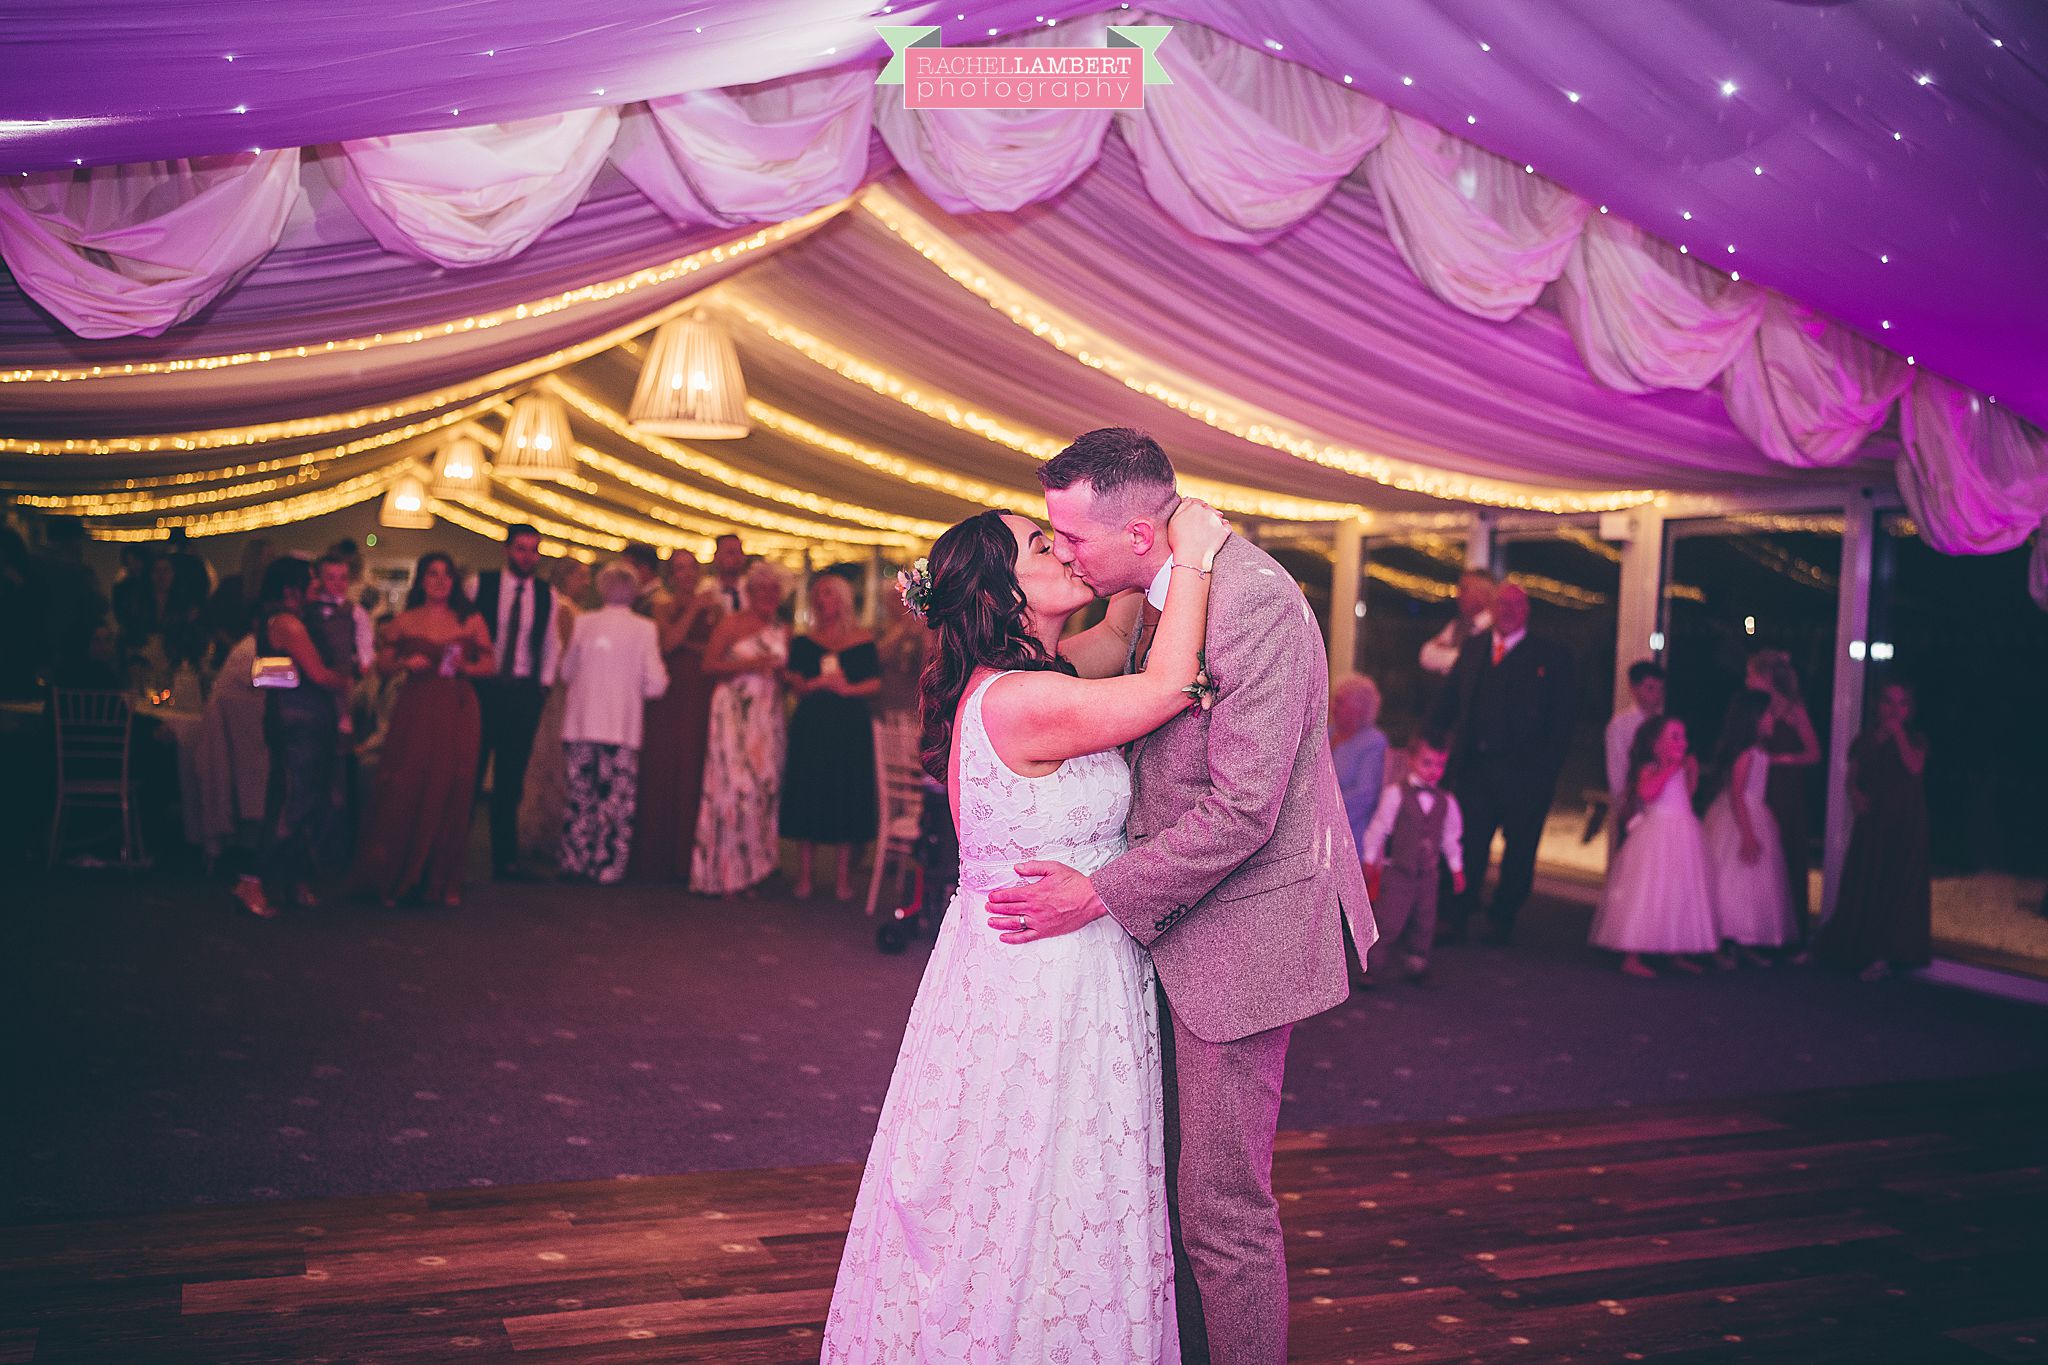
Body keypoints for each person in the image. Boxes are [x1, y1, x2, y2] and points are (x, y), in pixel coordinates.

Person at [984, 429, 1373, 1365]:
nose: (1064, 552)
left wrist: (1098, 895)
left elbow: (1244, 811)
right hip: (1172, 926)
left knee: (1223, 1210)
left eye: (1071, 538)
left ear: (1141, 531)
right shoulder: (1162, 594)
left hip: (1243, 938)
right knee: (1163, 1187)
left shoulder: (1253, 604)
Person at [823, 493, 1232, 1364]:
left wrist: (1131, 551)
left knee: (1041, 1183)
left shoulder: (1043, 676)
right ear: (1000, 594)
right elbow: (1163, 685)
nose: (1062, 552)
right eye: (1043, 545)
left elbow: (1124, 638)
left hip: (1035, 967)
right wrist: (1192, 553)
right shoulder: (1019, 701)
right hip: (1042, 983)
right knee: (1036, 1188)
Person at [1429, 580, 1575, 945]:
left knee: (1520, 851)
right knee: (1467, 844)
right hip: (1476, 770)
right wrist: (1428, 740)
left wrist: (1546, 771)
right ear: (1492, 609)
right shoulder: (1475, 648)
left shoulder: (1551, 656)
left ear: (1526, 610)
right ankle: (1456, 914)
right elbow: (1449, 703)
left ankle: (1502, 917)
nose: (1507, 611)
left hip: (1526, 777)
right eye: (1502, 605)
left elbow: (1563, 721)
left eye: (1515, 605)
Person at [355, 552, 494, 907]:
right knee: (408, 781)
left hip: (457, 707)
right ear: (421, 580)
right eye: (433, 574)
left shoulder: (471, 619)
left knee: (451, 784)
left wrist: (465, 665)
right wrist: (403, 662)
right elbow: (382, 667)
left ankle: (439, 878)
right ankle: (398, 874)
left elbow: (490, 664)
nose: (440, 581)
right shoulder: (403, 621)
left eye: (447, 575)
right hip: (416, 706)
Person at [231, 557, 352, 920]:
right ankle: (253, 880)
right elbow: (318, 674)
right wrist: (344, 679)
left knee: (297, 800)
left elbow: (268, 677)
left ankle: (291, 880)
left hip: (292, 718)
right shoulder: (288, 624)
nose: (316, 585)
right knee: (292, 804)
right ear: (291, 588)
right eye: (310, 581)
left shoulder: (272, 621)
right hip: (300, 724)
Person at [555, 562, 670, 883]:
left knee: (580, 796)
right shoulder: (644, 628)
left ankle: (575, 859)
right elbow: (657, 684)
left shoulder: (583, 623)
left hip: (581, 722)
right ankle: (608, 864)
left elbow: (565, 672)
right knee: (616, 799)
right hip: (622, 726)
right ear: (633, 592)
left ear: (601, 589)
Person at [1816, 681, 1931, 981]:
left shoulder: (1916, 738)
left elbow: (1914, 767)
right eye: (1889, 702)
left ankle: (1887, 953)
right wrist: (1855, 794)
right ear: (1877, 705)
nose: (1895, 710)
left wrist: (1898, 736)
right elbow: (1852, 777)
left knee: (1895, 883)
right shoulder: (1864, 739)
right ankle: (1856, 947)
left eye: (1902, 703)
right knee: (1866, 879)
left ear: (1910, 708)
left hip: (1904, 822)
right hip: (1873, 819)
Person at [1589, 715, 1719, 977]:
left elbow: (1687, 794)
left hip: (1683, 832)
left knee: (1679, 889)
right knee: (1649, 890)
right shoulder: (1649, 767)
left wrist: (1690, 772)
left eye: (1683, 736)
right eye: (1674, 737)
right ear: (1655, 743)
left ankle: (1676, 949)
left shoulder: (1680, 767)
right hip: (1657, 834)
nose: (1682, 742)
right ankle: (1632, 954)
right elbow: (1648, 793)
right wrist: (1672, 768)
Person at [690, 562, 791, 896]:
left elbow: (782, 672)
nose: (769, 596)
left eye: (774, 590)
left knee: (764, 789)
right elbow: (708, 665)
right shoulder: (731, 624)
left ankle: (755, 870)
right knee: (734, 787)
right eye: (762, 590)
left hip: (767, 715)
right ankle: (723, 873)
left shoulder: (781, 628)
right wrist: (750, 665)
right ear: (749, 593)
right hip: (733, 712)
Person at [468, 524, 560, 881]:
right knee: (471, 770)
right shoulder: (481, 585)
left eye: (533, 550)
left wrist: (543, 687)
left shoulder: (544, 594)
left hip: (523, 690)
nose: (527, 556)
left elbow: (551, 643)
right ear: (507, 550)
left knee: (511, 777)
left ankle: (505, 859)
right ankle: (452, 854)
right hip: (484, 687)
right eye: (521, 549)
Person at [781, 573, 881, 900]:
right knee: (807, 791)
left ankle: (842, 878)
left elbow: (874, 682)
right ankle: (805, 875)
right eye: (817, 593)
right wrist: (809, 685)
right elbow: (793, 682)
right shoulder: (803, 640)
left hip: (849, 724)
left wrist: (847, 688)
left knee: (845, 793)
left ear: (841, 599)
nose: (820, 599)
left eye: (827, 593)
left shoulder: (862, 638)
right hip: (812, 723)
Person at [629, 553, 724, 881]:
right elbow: (669, 643)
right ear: (671, 575)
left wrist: (697, 644)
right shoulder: (662, 604)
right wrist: (694, 612)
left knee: (696, 763)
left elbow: (717, 648)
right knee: (665, 763)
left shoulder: (716, 605)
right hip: (671, 692)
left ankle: (691, 855)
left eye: (691, 568)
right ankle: (658, 855)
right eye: (680, 569)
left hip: (701, 689)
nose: (686, 574)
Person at [1359, 731, 1466, 984]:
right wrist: (1370, 859)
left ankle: (1416, 962)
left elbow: (1450, 839)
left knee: (1425, 919)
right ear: (1412, 761)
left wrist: (1456, 868)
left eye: (1440, 764)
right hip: (1399, 872)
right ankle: (1372, 966)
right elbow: (1379, 828)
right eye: (1427, 763)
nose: (1434, 770)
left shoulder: (1446, 802)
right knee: (1389, 920)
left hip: (1428, 875)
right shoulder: (1397, 793)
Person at [1702, 688, 1794, 962]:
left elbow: (1756, 792)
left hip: (1755, 812)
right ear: (1753, 717)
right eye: (1767, 713)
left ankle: (1745, 940)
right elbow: (1737, 794)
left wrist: (1768, 817)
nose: (1772, 718)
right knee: (1732, 879)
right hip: (1739, 817)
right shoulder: (1745, 754)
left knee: (1753, 883)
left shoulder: (1759, 751)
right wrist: (1747, 833)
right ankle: (1719, 942)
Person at [517, 558, 590, 864]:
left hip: (562, 693)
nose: (586, 583)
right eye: (582, 577)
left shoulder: (564, 606)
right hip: (560, 695)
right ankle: (542, 834)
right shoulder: (563, 609)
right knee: (551, 761)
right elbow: (564, 656)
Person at [1748, 648, 1821, 939]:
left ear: (1765, 677)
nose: (1747, 680)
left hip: (1785, 788)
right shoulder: (1757, 711)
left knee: (1785, 848)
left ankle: (1789, 933)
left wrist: (1781, 760)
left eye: (1750, 675)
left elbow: (1814, 753)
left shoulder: (1795, 711)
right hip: (1759, 784)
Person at [1605, 660, 1665, 856]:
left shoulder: (1665, 724)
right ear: (1634, 688)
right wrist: (1626, 808)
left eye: (1659, 689)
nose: (1655, 695)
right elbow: (1617, 771)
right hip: (1634, 805)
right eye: (1649, 688)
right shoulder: (1621, 725)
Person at [1330, 673, 1389, 856]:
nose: (1332, 706)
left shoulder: (1373, 742)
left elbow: (1365, 796)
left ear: (1358, 709)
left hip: (1349, 830)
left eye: (1340, 702)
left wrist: (1322, 810)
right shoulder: (1327, 732)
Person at [1419, 569, 1496, 676]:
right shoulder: (1458, 623)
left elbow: (1479, 664)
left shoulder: (1497, 627)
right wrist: (1462, 657)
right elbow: (1426, 656)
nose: (1458, 595)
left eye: (1464, 589)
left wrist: (1448, 653)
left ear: (1482, 595)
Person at [871, 576, 928, 717]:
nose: (900, 603)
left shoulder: (922, 629)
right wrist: (903, 629)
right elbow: (877, 656)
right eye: (894, 598)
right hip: (886, 703)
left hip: (913, 704)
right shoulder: (879, 629)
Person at [708, 532, 748, 612]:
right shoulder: (708, 592)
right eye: (731, 553)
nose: (737, 557)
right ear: (717, 557)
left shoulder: (751, 590)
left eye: (739, 552)